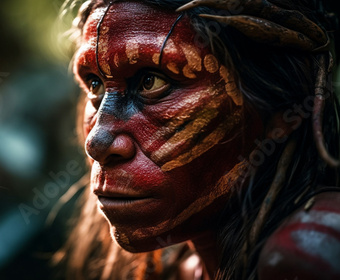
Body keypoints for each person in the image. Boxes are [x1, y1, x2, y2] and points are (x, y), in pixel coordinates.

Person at [55, 0, 340, 279]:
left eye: (151, 81)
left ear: (281, 107)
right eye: (95, 84)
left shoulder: (307, 254)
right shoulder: (182, 269)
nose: (96, 142)